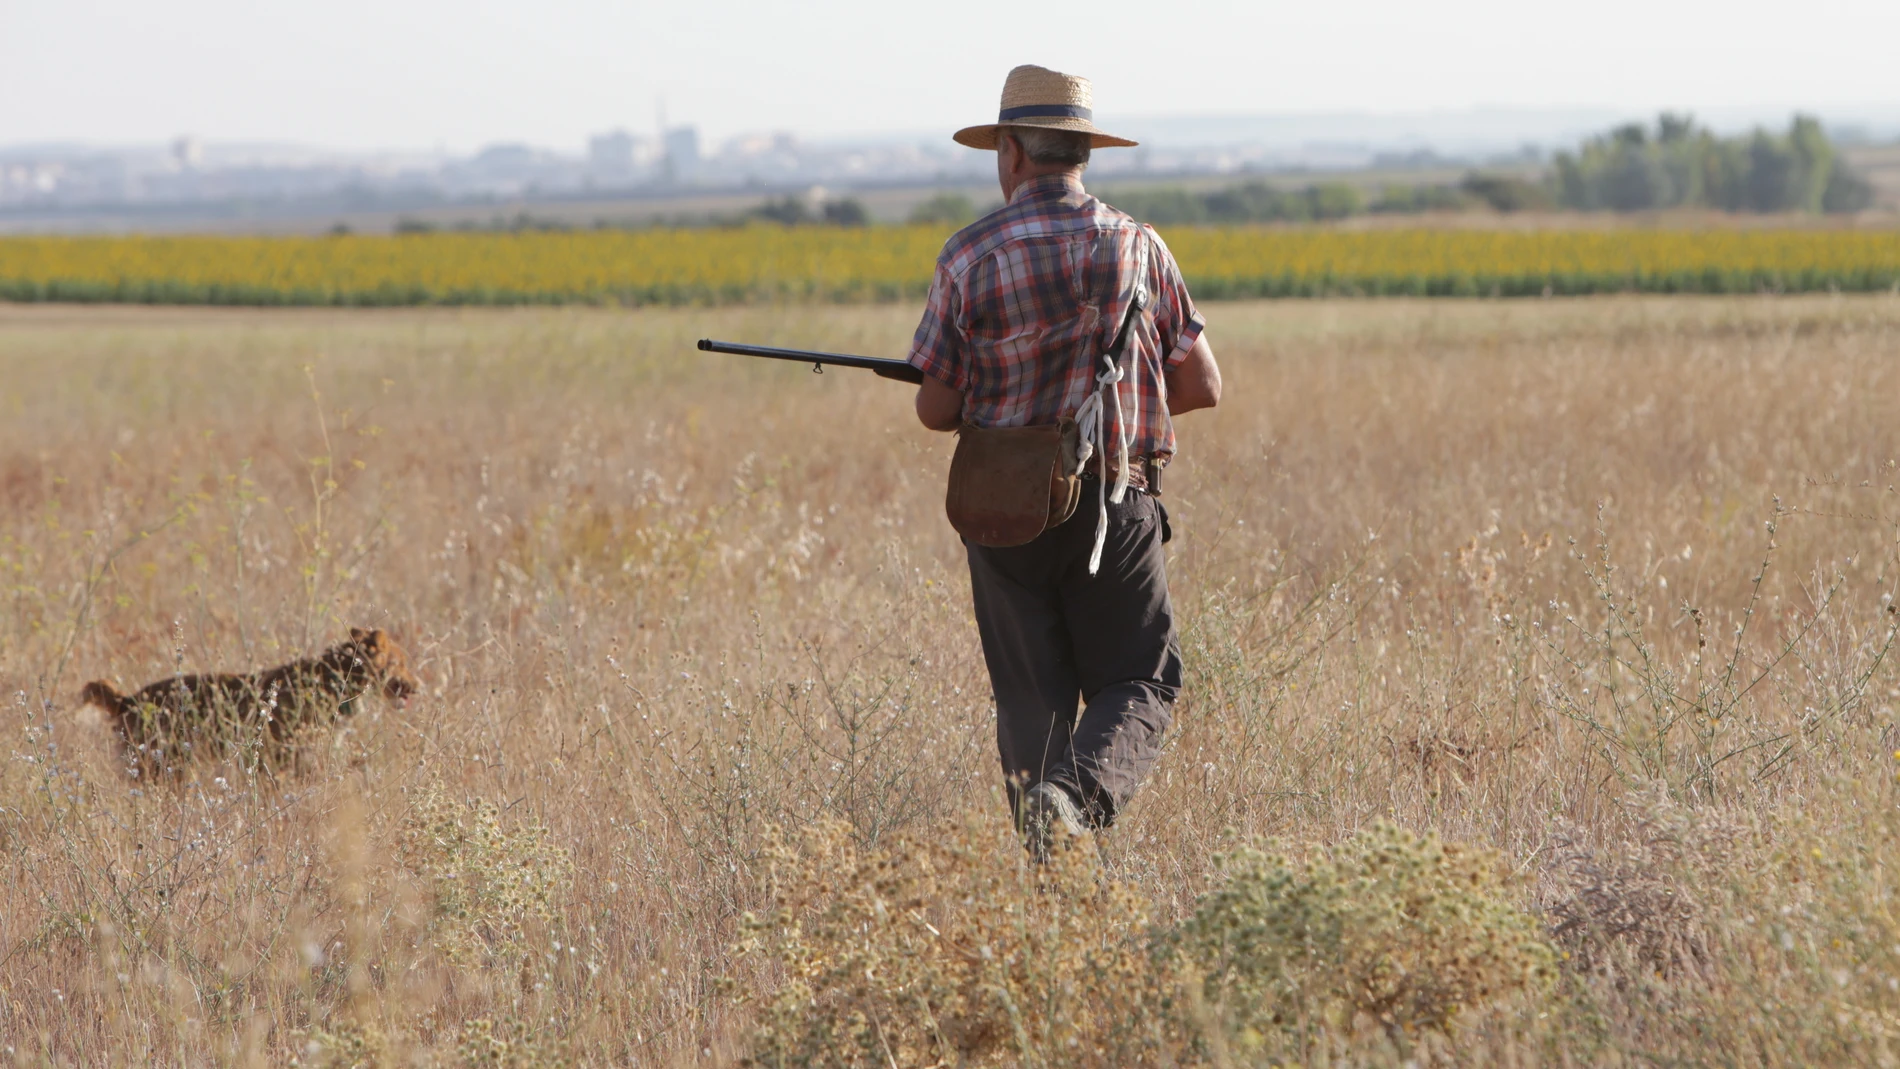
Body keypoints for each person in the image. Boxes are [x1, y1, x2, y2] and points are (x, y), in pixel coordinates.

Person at [906, 64, 1222, 858]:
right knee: (1140, 681)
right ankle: (1073, 803)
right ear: (1083, 151)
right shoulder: (1141, 248)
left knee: (1030, 700)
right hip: (1117, 502)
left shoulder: (968, 255)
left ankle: (1048, 870)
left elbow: (934, 408)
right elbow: (1203, 385)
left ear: (1010, 152)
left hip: (1003, 511)